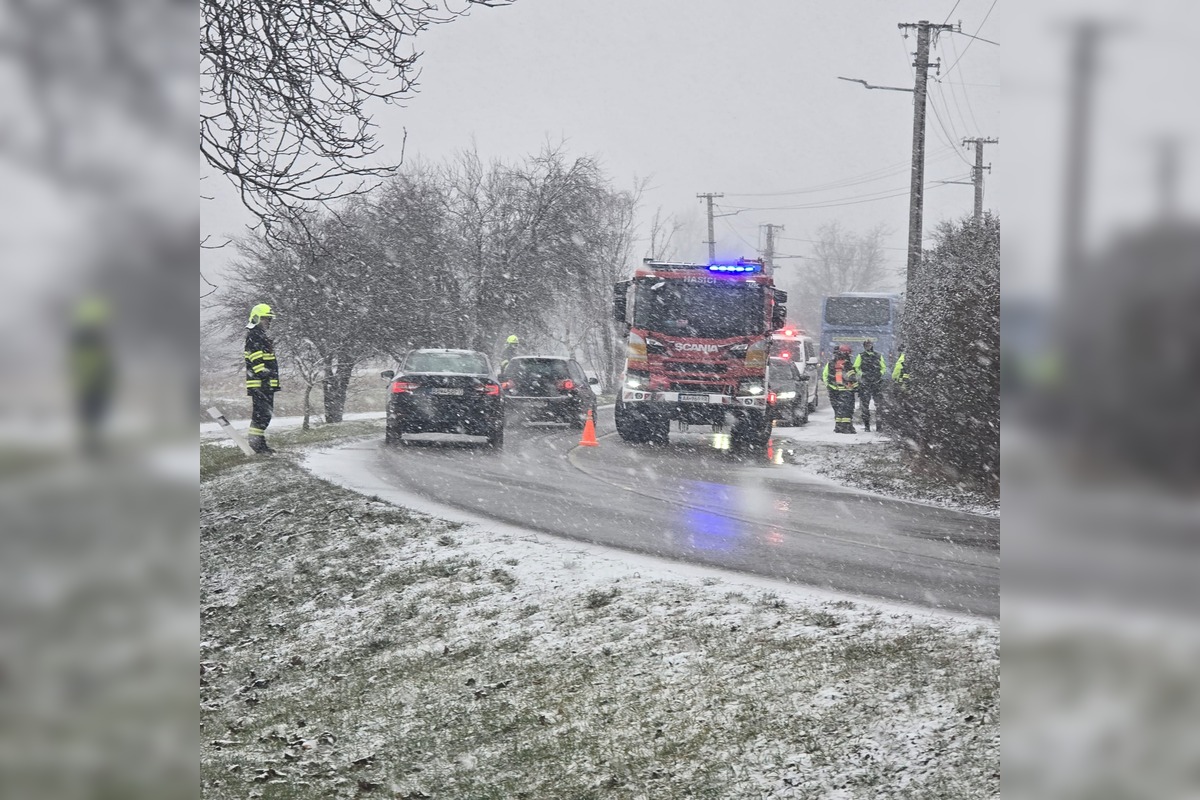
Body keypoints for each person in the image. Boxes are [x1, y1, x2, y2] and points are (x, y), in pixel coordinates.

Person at [68, 296, 116, 457]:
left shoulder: (89, 337)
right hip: (92, 383)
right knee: (91, 416)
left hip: (91, 383)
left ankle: (90, 445)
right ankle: (90, 446)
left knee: (92, 416)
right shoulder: (90, 338)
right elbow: (99, 361)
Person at [244, 303, 280, 454]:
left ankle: (258, 444)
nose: (268, 322)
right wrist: (266, 377)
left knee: (263, 415)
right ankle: (257, 445)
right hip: (261, 384)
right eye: (266, 319)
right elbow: (257, 363)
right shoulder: (255, 336)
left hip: (264, 384)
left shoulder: (259, 335)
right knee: (261, 415)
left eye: (269, 319)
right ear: (257, 318)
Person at [822, 343, 859, 433]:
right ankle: (847, 428)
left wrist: (830, 386)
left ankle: (838, 427)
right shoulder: (847, 364)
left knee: (838, 410)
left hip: (834, 391)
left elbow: (825, 375)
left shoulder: (830, 363)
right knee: (847, 410)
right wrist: (857, 387)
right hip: (846, 391)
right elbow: (852, 378)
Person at [854, 339, 888, 432]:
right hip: (869, 383)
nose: (868, 347)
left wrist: (878, 374)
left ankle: (877, 427)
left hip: (873, 383)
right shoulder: (862, 356)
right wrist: (863, 374)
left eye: (869, 345)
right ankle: (868, 426)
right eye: (867, 345)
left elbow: (883, 368)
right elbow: (856, 367)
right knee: (868, 406)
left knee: (876, 406)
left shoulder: (875, 355)